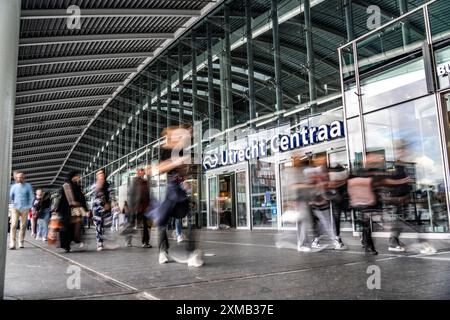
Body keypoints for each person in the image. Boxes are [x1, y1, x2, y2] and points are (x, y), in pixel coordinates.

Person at [57, 171, 88, 253]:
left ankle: (75, 240)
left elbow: (81, 198)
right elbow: (62, 199)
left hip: (76, 209)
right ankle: (67, 245)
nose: (78, 177)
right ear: (72, 177)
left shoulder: (76, 186)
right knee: (68, 227)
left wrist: (85, 208)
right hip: (67, 210)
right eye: (77, 176)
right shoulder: (66, 186)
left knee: (77, 224)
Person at [9, 171, 34, 250]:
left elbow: (31, 196)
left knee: (23, 226)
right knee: (13, 225)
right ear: (16, 178)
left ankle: (21, 241)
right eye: (18, 177)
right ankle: (12, 243)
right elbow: (11, 196)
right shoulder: (13, 186)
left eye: (21, 177)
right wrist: (13, 204)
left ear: (24, 178)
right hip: (15, 208)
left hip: (25, 208)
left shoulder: (28, 186)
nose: (19, 179)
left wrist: (29, 206)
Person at [91, 169, 114, 251]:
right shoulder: (95, 185)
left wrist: (113, 203)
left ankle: (106, 242)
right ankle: (99, 243)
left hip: (107, 208)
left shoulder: (108, 185)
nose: (101, 175)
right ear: (97, 176)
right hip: (97, 208)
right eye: (99, 174)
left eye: (102, 174)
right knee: (98, 226)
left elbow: (111, 194)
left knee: (107, 225)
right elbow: (97, 194)